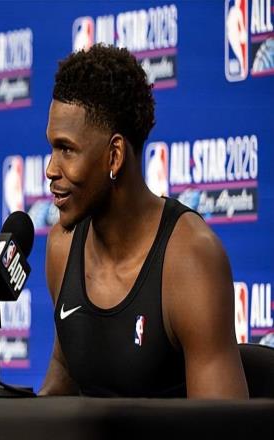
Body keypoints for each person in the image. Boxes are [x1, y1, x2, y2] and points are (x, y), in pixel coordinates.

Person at [38, 44, 249, 399]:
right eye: (52, 148)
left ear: (114, 156)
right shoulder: (61, 246)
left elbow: (224, 423)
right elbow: (64, 375)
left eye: (66, 149)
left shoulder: (191, 260)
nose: (50, 169)